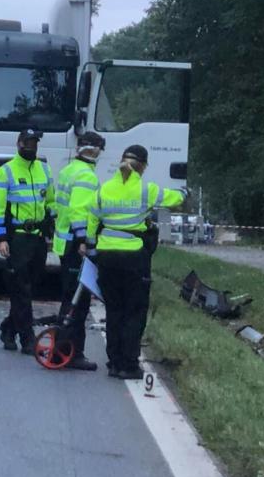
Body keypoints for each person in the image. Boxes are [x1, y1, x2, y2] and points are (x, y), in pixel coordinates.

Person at [86, 144, 187, 379]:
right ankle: (128, 365)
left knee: (114, 310)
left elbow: (92, 218)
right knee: (134, 311)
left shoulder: (104, 189)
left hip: (107, 257)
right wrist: (184, 193)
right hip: (133, 257)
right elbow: (173, 199)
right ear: (143, 167)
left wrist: (91, 247)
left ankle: (113, 362)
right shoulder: (145, 190)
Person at [0, 128, 55, 354]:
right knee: (21, 288)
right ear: (18, 144)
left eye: (34, 142)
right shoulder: (5, 172)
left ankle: (8, 329)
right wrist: (1, 238)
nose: (31, 146)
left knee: (27, 288)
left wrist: (52, 231)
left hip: (38, 238)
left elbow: (51, 203)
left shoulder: (44, 170)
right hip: (17, 238)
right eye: (27, 142)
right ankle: (28, 339)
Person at [51, 131, 106, 371]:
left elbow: (58, 206)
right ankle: (70, 352)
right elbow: (79, 210)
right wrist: (84, 239)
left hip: (64, 243)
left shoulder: (68, 170)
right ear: (93, 151)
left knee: (69, 298)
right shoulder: (86, 176)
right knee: (78, 302)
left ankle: (62, 348)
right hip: (76, 245)